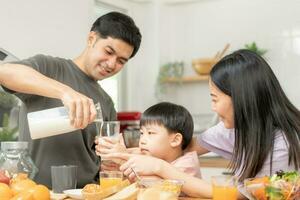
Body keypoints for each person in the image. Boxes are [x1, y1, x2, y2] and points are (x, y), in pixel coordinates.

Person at [104, 49, 300, 198]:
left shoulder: (282, 144)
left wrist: (159, 167)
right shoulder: (231, 130)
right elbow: (183, 146)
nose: (213, 108)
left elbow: (235, 195)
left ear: (241, 99)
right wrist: (126, 152)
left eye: (214, 99)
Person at [0, 11, 141, 188]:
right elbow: (5, 73)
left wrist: (117, 158)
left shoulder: (106, 102)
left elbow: (104, 161)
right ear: (91, 39)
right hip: (38, 192)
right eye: (108, 51)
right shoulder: (49, 67)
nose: (112, 64)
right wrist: (65, 92)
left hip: (88, 192)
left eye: (121, 61)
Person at [98, 102, 201, 179]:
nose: (142, 140)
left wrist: (125, 161)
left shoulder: (187, 164)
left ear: (175, 140)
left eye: (150, 133)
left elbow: (158, 186)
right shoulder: (147, 157)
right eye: (142, 133)